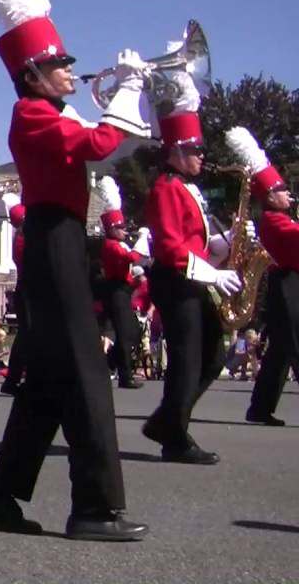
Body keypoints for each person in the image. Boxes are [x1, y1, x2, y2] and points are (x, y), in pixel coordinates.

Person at [0, 0, 146, 540]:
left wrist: (124, 91)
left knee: (47, 383)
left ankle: (1, 495)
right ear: (32, 73)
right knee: (86, 374)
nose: (70, 70)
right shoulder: (32, 114)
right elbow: (101, 144)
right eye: (59, 64)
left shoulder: (52, 111)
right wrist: (129, 87)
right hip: (53, 241)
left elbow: (109, 146)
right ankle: (93, 507)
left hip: (62, 240)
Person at [143, 49, 244, 466]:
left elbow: (195, 243)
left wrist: (231, 241)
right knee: (188, 359)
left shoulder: (187, 188)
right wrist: (212, 275)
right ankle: (174, 436)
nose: (203, 154)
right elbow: (169, 246)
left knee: (213, 355)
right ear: (177, 150)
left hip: (192, 277)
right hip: (176, 279)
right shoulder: (166, 187)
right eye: (196, 148)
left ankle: (168, 422)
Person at [227, 128, 297, 427]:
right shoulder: (274, 221)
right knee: (292, 346)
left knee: (280, 352)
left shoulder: (281, 218)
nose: (288, 193)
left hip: (290, 284)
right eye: (282, 190)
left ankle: (260, 408)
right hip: (289, 286)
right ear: (270, 195)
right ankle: (259, 408)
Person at [95, 177, 147, 390]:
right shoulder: (112, 246)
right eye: (122, 227)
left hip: (122, 290)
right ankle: (124, 374)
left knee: (132, 331)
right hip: (115, 290)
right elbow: (132, 258)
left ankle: (111, 363)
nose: (126, 231)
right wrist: (143, 240)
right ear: (113, 228)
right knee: (125, 333)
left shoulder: (119, 244)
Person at [0, 195, 28, 395]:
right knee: (27, 336)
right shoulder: (22, 240)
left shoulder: (22, 237)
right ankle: (13, 378)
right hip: (28, 289)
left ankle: (14, 378)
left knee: (28, 336)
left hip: (28, 289)